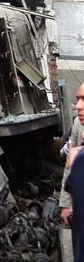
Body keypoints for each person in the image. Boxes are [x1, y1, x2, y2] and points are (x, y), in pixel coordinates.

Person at [59, 84, 84, 226]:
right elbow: (70, 168)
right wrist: (66, 204)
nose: (79, 106)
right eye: (78, 99)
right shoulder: (77, 124)